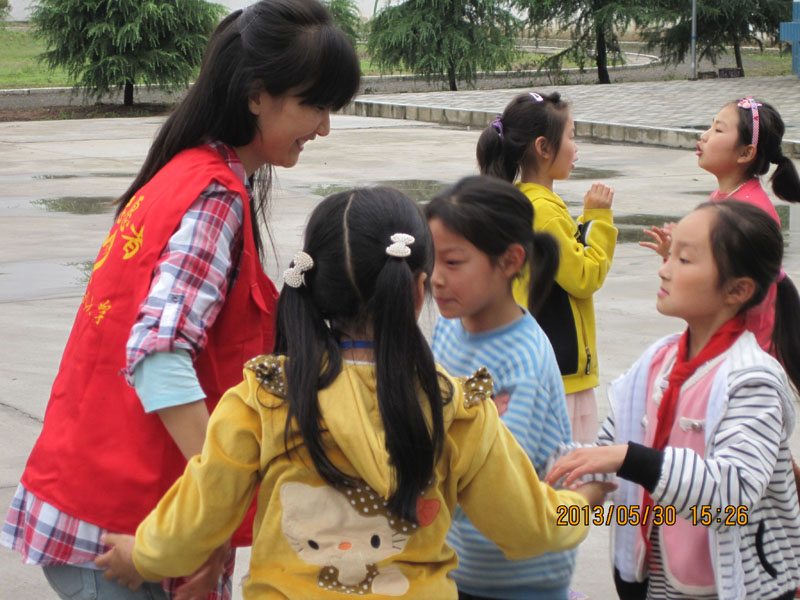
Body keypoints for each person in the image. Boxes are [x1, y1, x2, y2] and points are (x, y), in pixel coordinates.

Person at [0, 1, 360, 599]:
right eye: (314, 105)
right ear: (256, 95)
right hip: (125, 523)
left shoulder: (186, 173)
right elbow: (159, 355)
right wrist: (214, 503)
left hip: (96, 494)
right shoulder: (215, 198)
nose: (323, 127)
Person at [91, 187, 611, 599]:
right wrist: (586, 502)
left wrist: (142, 556)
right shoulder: (457, 409)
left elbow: (195, 522)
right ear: (417, 289)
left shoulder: (264, 398)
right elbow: (531, 528)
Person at [547, 200, 800, 600]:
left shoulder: (753, 380)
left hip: (737, 586)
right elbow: (600, 457)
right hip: (659, 584)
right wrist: (536, 477)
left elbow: (733, 493)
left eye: (683, 259)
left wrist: (627, 458)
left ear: (737, 290)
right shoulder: (655, 364)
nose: (664, 269)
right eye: (670, 255)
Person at [426, 175, 579, 600]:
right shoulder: (448, 328)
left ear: (510, 261)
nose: (435, 278)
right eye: (432, 260)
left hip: (518, 576)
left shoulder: (523, 359)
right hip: (457, 564)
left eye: (453, 263)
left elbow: (497, 480)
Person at [477, 90, 618, 444]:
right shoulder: (543, 210)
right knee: (565, 474)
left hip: (537, 369)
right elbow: (584, 276)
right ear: (543, 147)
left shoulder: (522, 201)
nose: (576, 147)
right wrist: (598, 218)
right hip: (559, 377)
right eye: (571, 136)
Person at [641, 97, 800, 351]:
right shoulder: (723, 198)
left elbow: (723, 286)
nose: (704, 136)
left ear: (746, 153)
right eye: (710, 126)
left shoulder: (750, 213)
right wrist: (676, 253)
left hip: (742, 343)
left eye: (718, 130)